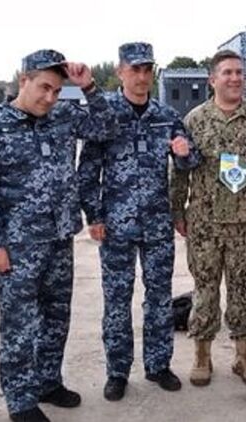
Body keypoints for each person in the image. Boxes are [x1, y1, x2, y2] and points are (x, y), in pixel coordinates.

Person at [0, 49, 113, 422]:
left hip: (60, 238)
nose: (50, 98)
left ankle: (48, 382)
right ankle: (20, 401)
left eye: (57, 91)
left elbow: (106, 127)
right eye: (44, 88)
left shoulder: (62, 116)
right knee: (20, 325)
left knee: (56, 317)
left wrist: (89, 88)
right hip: (18, 246)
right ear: (24, 81)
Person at [78, 42, 199, 402]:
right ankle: (117, 372)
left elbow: (190, 161)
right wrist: (94, 216)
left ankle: (158, 365)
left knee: (159, 299)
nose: (142, 77)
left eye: (147, 69)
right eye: (135, 69)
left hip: (157, 224)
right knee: (117, 301)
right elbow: (88, 171)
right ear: (120, 72)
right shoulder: (106, 113)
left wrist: (184, 153)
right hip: (116, 225)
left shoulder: (166, 115)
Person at [170, 49, 246, 388]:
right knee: (205, 291)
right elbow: (179, 171)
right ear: (212, 80)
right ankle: (202, 357)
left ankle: (244, 357)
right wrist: (177, 211)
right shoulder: (194, 121)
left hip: (245, 224)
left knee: (242, 292)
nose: (235, 78)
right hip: (204, 225)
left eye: (239, 72)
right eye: (227, 73)